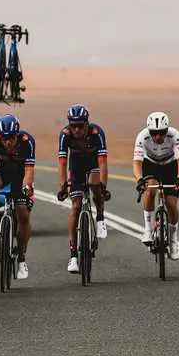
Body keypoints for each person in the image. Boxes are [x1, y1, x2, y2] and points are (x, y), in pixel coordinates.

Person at [57, 104, 110, 273]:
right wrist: (63, 186)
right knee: (75, 207)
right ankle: (73, 255)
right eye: (73, 125)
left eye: (80, 125)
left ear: (87, 123)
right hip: (76, 167)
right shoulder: (65, 135)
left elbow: (103, 162)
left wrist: (103, 186)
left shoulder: (96, 133)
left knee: (95, 184)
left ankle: (100, 217)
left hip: (93, 164)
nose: (77, 129)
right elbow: (62, 163)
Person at [0, 113, 36, 279]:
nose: (8, 142)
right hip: (1, 174)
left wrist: (27, 187)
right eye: (5, 138)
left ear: (17, 135)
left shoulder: (27, 141)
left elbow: (29, 170)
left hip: (20, 177)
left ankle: (21, 259)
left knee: (23, 214)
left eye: (12, 138)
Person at [132, 111, 179, 244]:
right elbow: (137, 162)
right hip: (151, 165)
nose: (157, 137)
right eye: (154, 133)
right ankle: (148, 230)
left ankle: (173, 240)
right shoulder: (142, 136)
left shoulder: (174, 135)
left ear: (167, 130)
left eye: (162, 132)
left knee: (171, 204)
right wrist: (139, 179)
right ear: (149, 131)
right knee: (150, 191)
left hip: (170, 166)